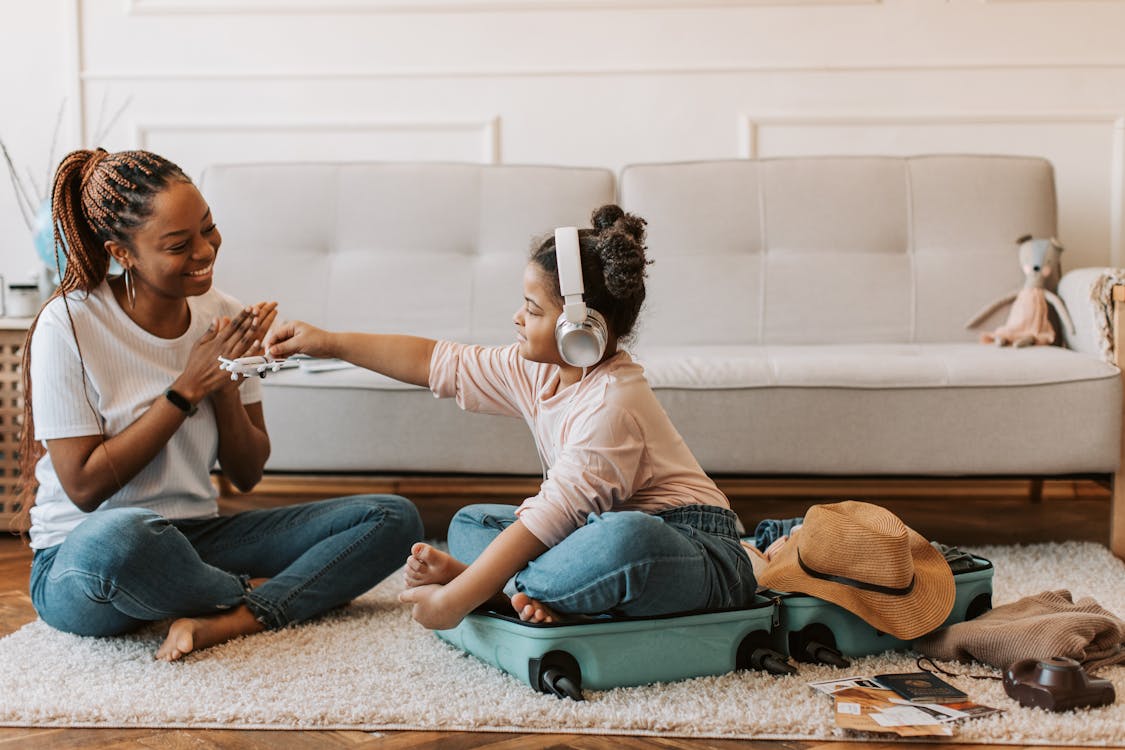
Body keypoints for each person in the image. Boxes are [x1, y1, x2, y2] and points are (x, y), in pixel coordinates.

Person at [15, 148, 423, 661]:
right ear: (124, 254)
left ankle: (234, 616)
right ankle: (244, 593)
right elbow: (83, 487)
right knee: (120, 539)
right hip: (82, 558)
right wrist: (187, 389)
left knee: (393, 519)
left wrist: (228, 380)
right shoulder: (69, 325)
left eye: (209, 229)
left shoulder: (224, 316)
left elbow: (247, 473)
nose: (205, 250)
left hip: (195, 539)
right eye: (179, 244)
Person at [266, 205, 756, 630]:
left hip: (695, 551)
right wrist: (327, 342)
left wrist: (453, 601)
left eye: (532, 308)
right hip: (586, 539)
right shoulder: (535, 371)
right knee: (469, 522)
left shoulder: (613, 405)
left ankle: (491, 589)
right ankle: (545, 594)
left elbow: (550, 517)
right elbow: (437, 362)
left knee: (623, 541)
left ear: (579, 330)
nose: (518, 318)